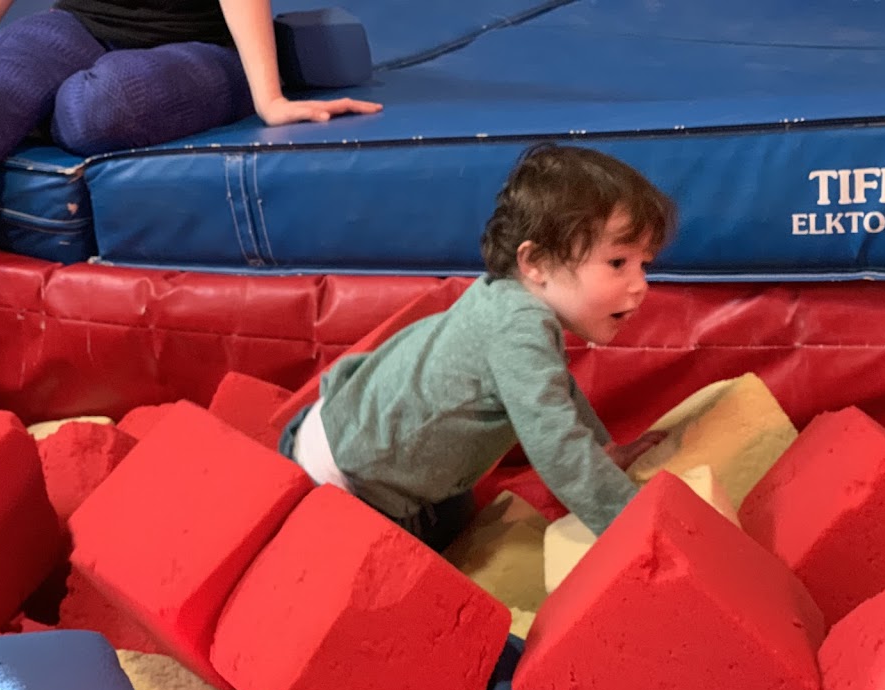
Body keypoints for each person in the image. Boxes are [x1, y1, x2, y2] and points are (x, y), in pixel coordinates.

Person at [0, 0, 383, 374]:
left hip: (201, 43)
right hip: (82, 22)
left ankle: (260, 68)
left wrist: (269, 97)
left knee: (95, 110)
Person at [281, 143, 676, 551]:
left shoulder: (508, 301)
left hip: (352, 435)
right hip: (348, 479)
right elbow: (555, 442)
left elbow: (559, 393)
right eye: (617, 263)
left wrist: (604, 450)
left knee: (463, 525)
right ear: (536, 262)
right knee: (435, 563)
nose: (639, 285)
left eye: (643, 265)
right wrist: (636, 529)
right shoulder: (517, 327)